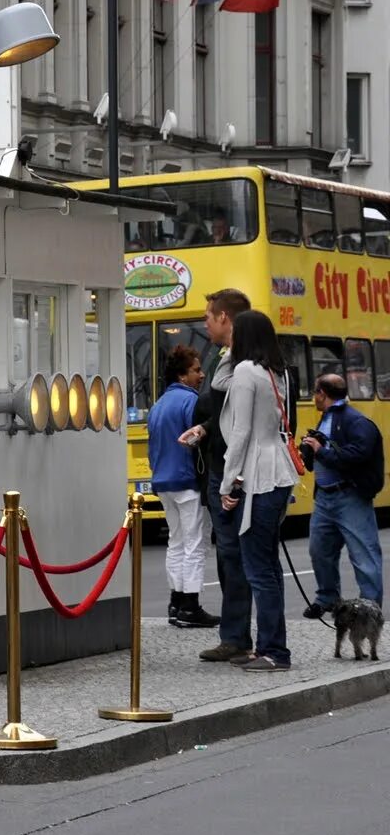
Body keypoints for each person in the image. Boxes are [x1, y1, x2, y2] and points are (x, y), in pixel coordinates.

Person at [215, 310, 298, 672]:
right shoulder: (277, 371)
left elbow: (241, 432)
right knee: (269, 566)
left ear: (244, 335)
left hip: (258, 473)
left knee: (258, 567)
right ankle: (271, 645)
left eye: (234, 332)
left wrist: (227, 481)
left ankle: (273, 651)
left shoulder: (246, 371)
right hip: (279, 471)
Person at [177, 288, 254, 661]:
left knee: (238, 555)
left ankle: (240, 638)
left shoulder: (244, 362)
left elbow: (239, 419)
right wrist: (204, 428)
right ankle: (234, 635)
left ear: (225, 317)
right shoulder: (223, 357)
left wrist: (232, 477)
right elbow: (219, 412)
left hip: (231, 469)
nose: (204, 322)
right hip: (217, 464)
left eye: (208, 315)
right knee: (227, 555)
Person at [300, 374, 385, 617]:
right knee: (319, 550)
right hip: (325, 499)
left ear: (322, 394)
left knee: (363, 555)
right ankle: (327, 597)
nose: (313, 397)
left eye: (314, 392)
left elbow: (358, 454)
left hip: (350, 497)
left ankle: (370, 608)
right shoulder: (327, 418)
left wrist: (321, 451)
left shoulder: (355, 420)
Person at [148, 346, 217, 627]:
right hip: (187, 480)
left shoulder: (158, 405)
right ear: (182, 374)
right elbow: (199, 442)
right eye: (196, 370)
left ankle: (176, 603)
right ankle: (190, 605)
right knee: (195, 543)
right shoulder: (191, 403)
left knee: (175, 542)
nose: (201, 375)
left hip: (163, 481)